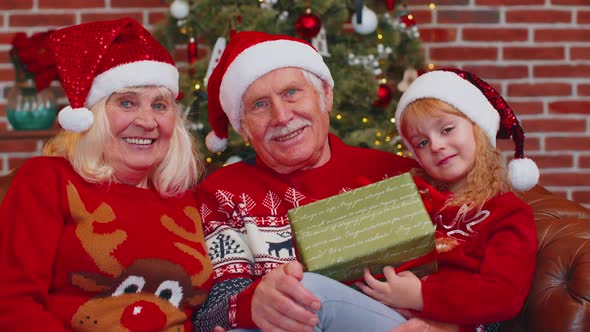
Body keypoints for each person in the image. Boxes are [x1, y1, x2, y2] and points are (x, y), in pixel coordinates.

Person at [194, 31, 458, 332]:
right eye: (259, 105)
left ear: (325, 96)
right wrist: (249, 305)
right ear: (242, 128)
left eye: (292, 92)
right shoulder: (223, 194)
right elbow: (205, 316)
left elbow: (492, 282)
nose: (281, 116)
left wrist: (443, 327)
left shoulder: (402, 177)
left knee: (305, 293)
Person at [0, 18, 213, 331]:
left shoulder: (185, 197)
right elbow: (12, 304)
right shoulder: (48, 180)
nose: (147, 121)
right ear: (94, 115)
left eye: (159, 105)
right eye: (127, 103)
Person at [356, 68, 539, 331]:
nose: (436, 145)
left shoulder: (508, 212)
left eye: (447, 129)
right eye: (421, 143)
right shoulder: (414, 199)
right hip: (387, 309)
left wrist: (420, 296)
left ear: (478, 128)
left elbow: (504, 295)